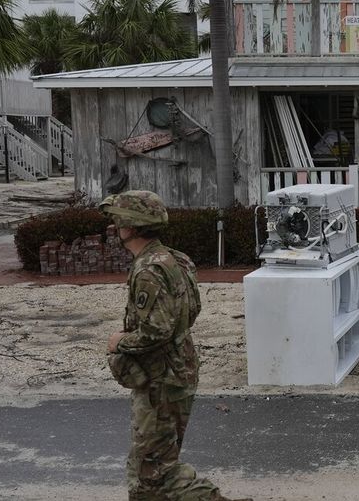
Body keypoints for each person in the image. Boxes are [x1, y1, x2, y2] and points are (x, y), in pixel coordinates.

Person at [101, 190, 249, 501]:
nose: (115, 226)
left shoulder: (149, 269)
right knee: (150, 467)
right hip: (175, 370)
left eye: (118, 221)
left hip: (161, 378)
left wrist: (119, 342)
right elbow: (190, 312)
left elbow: (157, 331)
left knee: (154, 474)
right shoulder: (175, 259)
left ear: (132, 226)